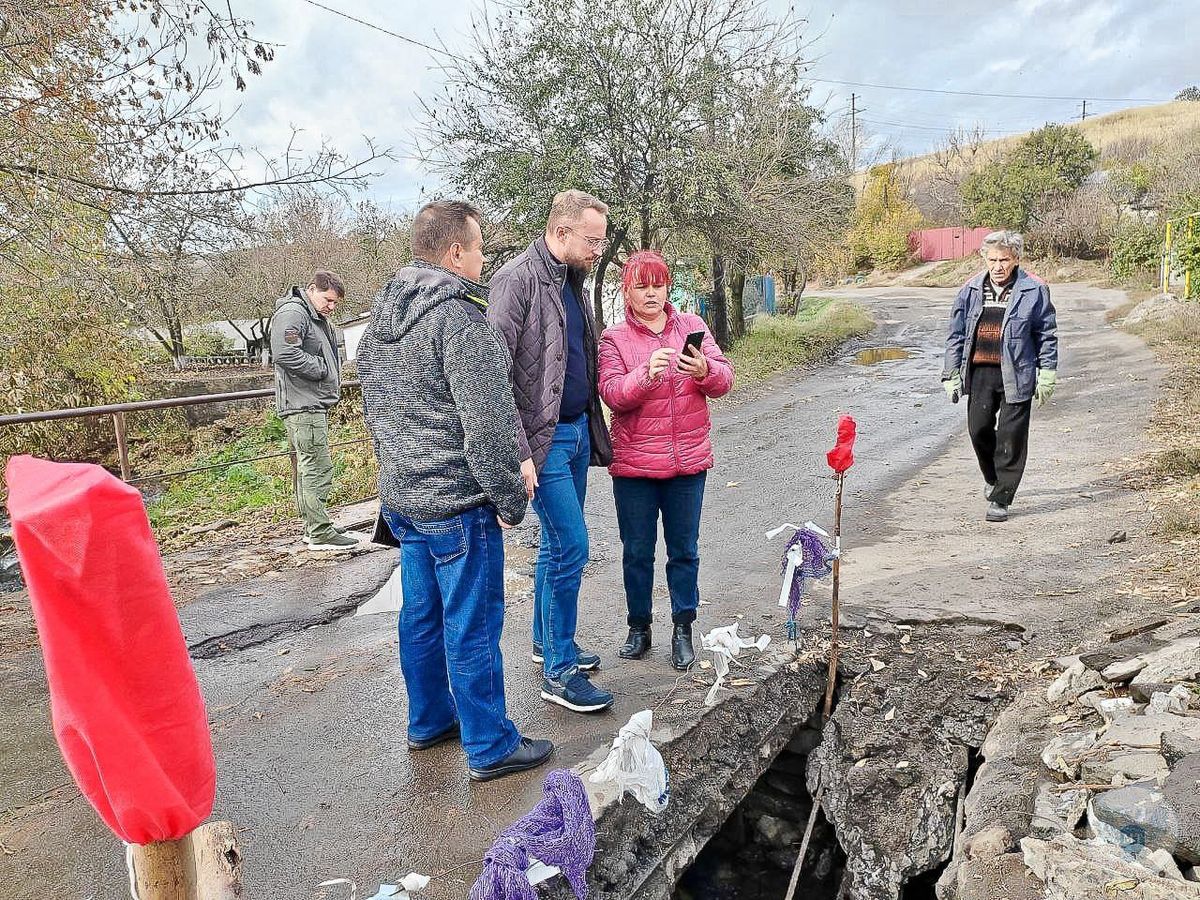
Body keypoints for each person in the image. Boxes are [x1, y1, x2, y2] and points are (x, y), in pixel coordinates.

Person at [356, 201, 553, 782]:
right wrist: (511, 501)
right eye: (479, 246)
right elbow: (489, 428)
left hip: (405, 499)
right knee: (471, 623)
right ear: (454, 253)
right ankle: (490, 745)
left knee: (420, 616)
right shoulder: (462, 323)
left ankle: (429, 722)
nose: (485, 257)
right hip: (455, 505)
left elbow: (378, 413)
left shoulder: (380, 327)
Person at [488, 189, 615, 714]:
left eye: (602, 240)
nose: (599, 250)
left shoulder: (572, 279)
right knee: (572, 547)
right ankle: (559, 672)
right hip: (542, 442)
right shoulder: (516, 280)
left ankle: (547, 642)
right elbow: (492, 374)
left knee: (554, 548)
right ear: (561, 232)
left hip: (577, 433)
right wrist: (517, 451)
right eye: (592, 240)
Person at [598, 251, 734, 669]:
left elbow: (725, 380)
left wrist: (703, 370)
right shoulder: (614, 339)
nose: (652, 293)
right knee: (637, 552)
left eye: (658, 284)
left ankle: (682, 629)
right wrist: (645, 375)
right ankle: (639, 627)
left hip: (686, 464)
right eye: (642, 286)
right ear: (628, 291)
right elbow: (612, 393)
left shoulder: (693, 326)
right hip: (636, 468)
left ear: (668, 286)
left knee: (684, 551)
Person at [942, 230, 1058, 523]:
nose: (997, 266)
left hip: (1018, 372)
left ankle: (1002, 498)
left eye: (1004, 260)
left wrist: (1047, 372)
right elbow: (956, 334)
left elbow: (1046, 334)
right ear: (984, 258)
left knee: (1011, 437)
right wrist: (950, 372)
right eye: (992, 259)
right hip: (981, 371)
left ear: (1016, 259)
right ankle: (993, 478)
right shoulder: (970, 290)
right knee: (977, 428)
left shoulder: (1034, 290)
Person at [270, 270, 360, 550]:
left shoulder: (312, 317)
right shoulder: (294, 313)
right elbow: (285, 353)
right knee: (316, 467)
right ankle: (319, 532)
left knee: (310, 466)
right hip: (303, 404)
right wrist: (322, 370)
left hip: (309, 401)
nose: (331, 307)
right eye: (328, 300)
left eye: (335, 303)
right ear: (312, 289)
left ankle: (315, 525)